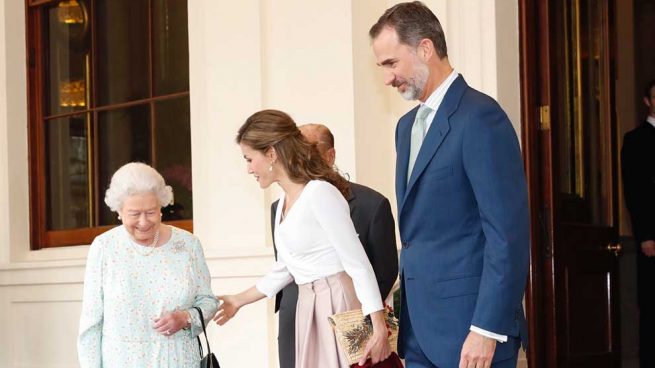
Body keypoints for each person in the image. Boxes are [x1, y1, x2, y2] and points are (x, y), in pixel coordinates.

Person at [369, 2, 530, 367]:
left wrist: (486, 329)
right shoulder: (405, 129)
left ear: (425, 48)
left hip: (471, 334)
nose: (387, 79)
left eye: (391, 63)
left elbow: (507, 235)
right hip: (418, 334)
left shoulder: (481, 118)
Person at [213, 109, 391, 367]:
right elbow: (285, 268)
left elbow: (357, 263)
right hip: (309, 306)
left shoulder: (319, 193)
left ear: (272, 153)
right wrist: (238, 300)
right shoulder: (283, 203)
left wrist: (378, 328)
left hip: (338, 303)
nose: (248, 169)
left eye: (250, 159)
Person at [272, 123, 399, 368]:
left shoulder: (372, 205)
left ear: (330, 156)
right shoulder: (279, 206)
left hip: (348, 320)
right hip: (297, 320)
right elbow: (285, 265)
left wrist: (363, 321)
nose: (300, 159)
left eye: (308, 151)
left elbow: (383, 273)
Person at [77, 162, 218, 368]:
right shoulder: (104, 248)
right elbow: (91, 323)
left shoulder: (188, 245)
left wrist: (185, 317)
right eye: (134, 214)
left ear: (161, 206)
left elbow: (208, 302)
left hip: (179, 361)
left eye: (151, 212)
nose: (143, 222)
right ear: (119, 211)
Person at [621, 79, 655, 368]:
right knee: (651, 309)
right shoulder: (635, 140)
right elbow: (634, 192)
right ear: (647, 101)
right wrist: (645, 235)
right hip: (652, 240)